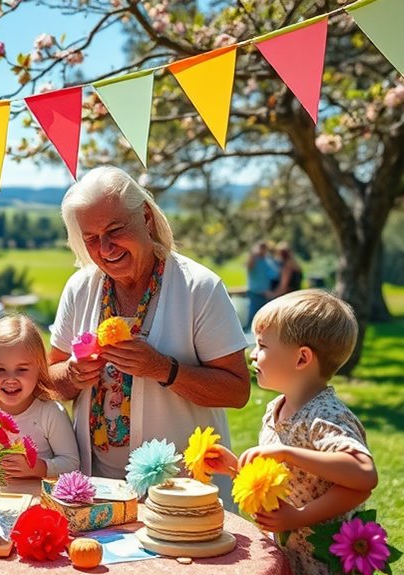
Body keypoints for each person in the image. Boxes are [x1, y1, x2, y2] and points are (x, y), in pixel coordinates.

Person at [47, 166, 251, 506]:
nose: (106, 248)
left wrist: (164, 369)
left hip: (182, 493)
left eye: (115, 230)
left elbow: (237, 390)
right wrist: (71, 373)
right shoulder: (81, 287)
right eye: (91, 239)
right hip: (96, 492)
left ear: (145, 216)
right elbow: (50, 381)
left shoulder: (199, 288)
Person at [208, 290, 377, 574]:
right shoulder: (276, 408)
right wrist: (235, 469)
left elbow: (363, 476)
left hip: (324, 564)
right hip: (292, 555)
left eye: (262, 345)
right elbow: (293, 480)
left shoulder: (325, 416)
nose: (252, 354)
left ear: (301, 359)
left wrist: (299, 515)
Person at [0, 314, 80, 491]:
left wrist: (39, 468)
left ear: (39, 369)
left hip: (39, 500)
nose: (10, 379)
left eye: (22, 369)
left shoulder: (50, 412)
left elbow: (72, 464)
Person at [247, 241, 280, 328]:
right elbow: (249, 266)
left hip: (266, 294)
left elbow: (275, 274)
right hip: (255, 294)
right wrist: (253, 254)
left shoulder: (268, 260)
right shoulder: (254, 259)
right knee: (253, 320)